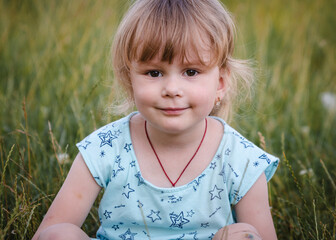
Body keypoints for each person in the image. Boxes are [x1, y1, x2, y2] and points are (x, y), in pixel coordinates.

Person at [32, 0, 279, 239]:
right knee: (57, 234)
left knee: (243, 236)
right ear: (130, 81)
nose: (172, 88)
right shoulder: (106, 147)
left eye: (191, 72)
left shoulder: (240, 158)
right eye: (154, 72)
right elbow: (48, 230)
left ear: (221, 84)